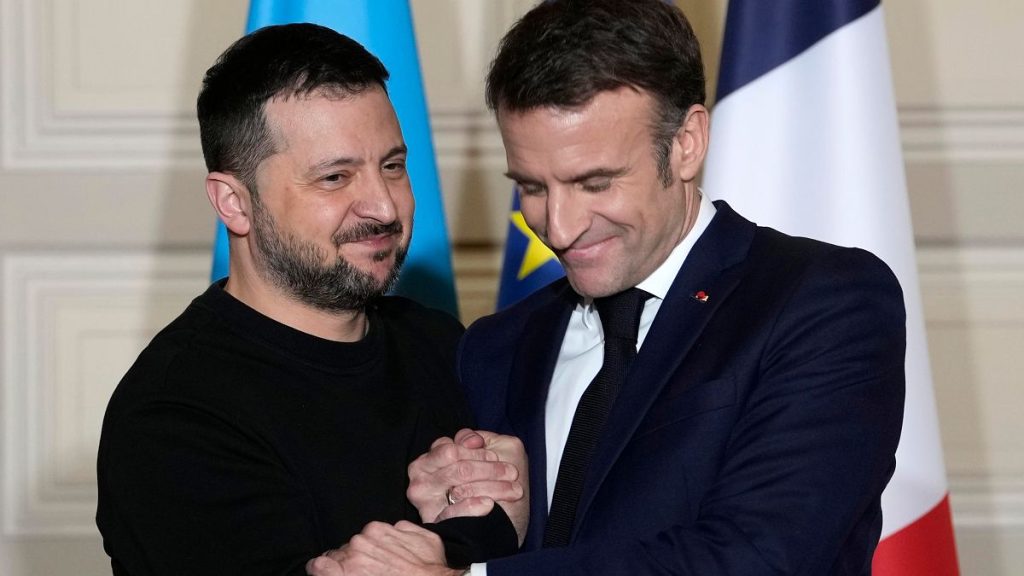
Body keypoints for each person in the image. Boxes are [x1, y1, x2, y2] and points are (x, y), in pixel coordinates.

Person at [310, 0, 906, 574]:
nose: (559, 229)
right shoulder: (497, 346)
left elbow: (759, 557)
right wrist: (460, 522)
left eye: (595, 183)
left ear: (685, 144)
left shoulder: (823, 302)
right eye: (533, 188)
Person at [95, 23, 524, 576]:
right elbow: (491, 531)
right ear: (234, 202)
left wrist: (496, 505)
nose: (384, 207)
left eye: (392, 166)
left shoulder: (439, 342)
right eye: (334, 177)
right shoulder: (174, 418)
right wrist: (487, 528)